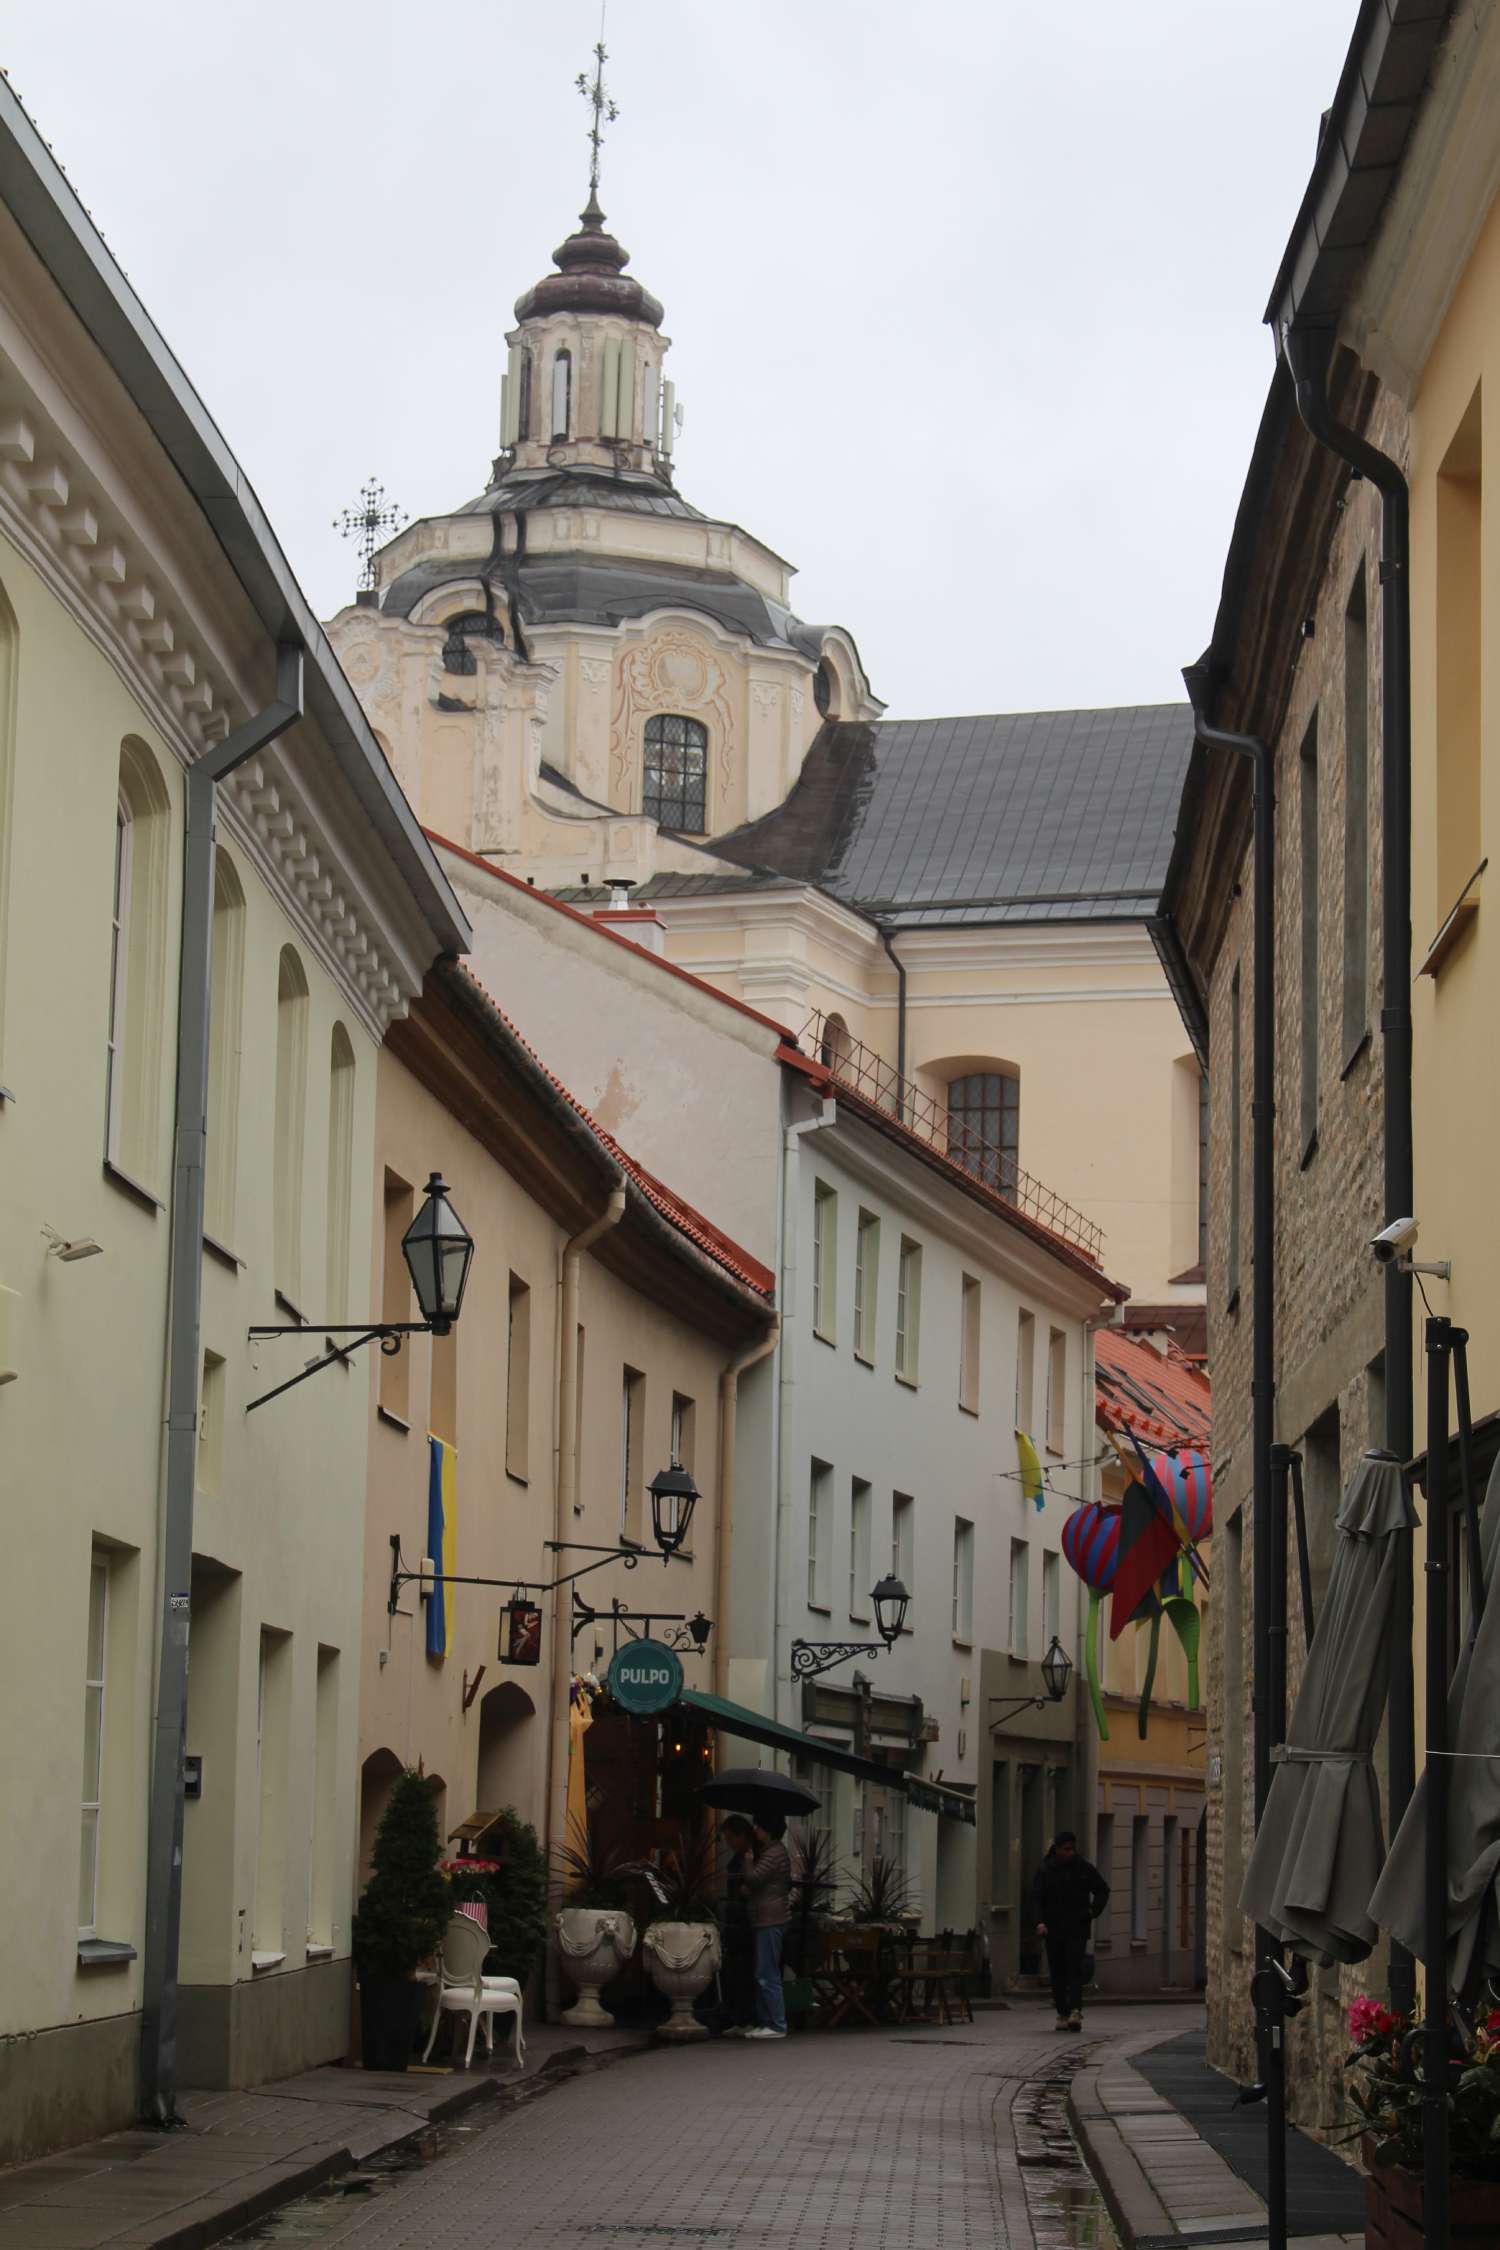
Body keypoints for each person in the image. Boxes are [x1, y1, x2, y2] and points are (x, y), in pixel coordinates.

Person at [1029, 1829, 1109, 2031]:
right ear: (1057, 1849)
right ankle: (1062, 2013)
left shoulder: (1083, 1868)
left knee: (1074, 1968)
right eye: (1066, 1849)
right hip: (1053, 1928)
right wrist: (1039, 1922)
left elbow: (1102, 1889)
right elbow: (1036, 1898)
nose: (1071, 1853)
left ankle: (1075, 2011)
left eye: (1073, 1849)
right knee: (1057, 1971)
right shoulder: (1046, 1870)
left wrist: (1092, 1912)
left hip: (1077, 1927)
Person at [740, 1810, 792, 2040]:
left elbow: (754, 1878)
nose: (755, 1830)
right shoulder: (773, 1852)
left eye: (758, 1826)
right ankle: (765, 2022)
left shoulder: (773, 1854)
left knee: (767, 1972)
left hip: (770, 1918)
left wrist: (748, 1861)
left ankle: (777, 2024)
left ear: (767, 1830)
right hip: (767, 1916)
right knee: (763, 1970)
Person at [717, 1816, 757, 2036]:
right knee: (735, 1971)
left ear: (742, 1835)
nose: (729, 1843)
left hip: (746, 1921)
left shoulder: (753, 1856)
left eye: (731, 1838)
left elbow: (758, 1882)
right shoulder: (739, 1856)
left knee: (746, 1971)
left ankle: (748, 2018)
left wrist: (747, 1890)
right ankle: (739, 2018)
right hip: (735, 1919)